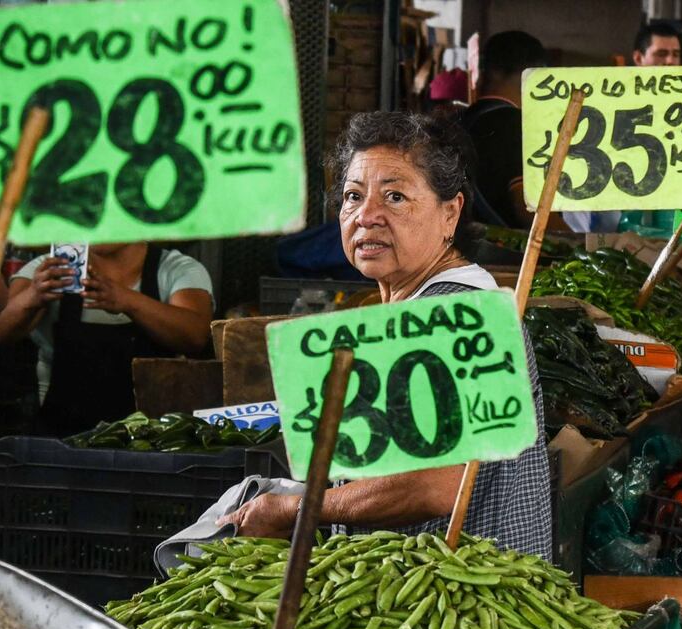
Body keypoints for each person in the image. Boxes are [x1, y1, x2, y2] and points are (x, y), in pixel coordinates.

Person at [217, 111, 553, 560]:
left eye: (395, 197)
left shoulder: (452, 311)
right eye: (353, 196)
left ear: (450, 212)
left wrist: (294, 509)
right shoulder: (417, 307)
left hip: (465, 609)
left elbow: (435, 485)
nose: (367, 216)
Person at [0, 243, 213, 435]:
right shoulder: (51, 268)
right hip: (60, 441)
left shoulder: (176, 269)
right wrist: (34, 295)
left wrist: (128, 301)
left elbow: (195, 336)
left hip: (150, 441)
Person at [462, 30, 552, 230]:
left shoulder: (459, 119)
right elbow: (527, 209)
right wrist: (577, 242)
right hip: (502, 254)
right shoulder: (517, 125)